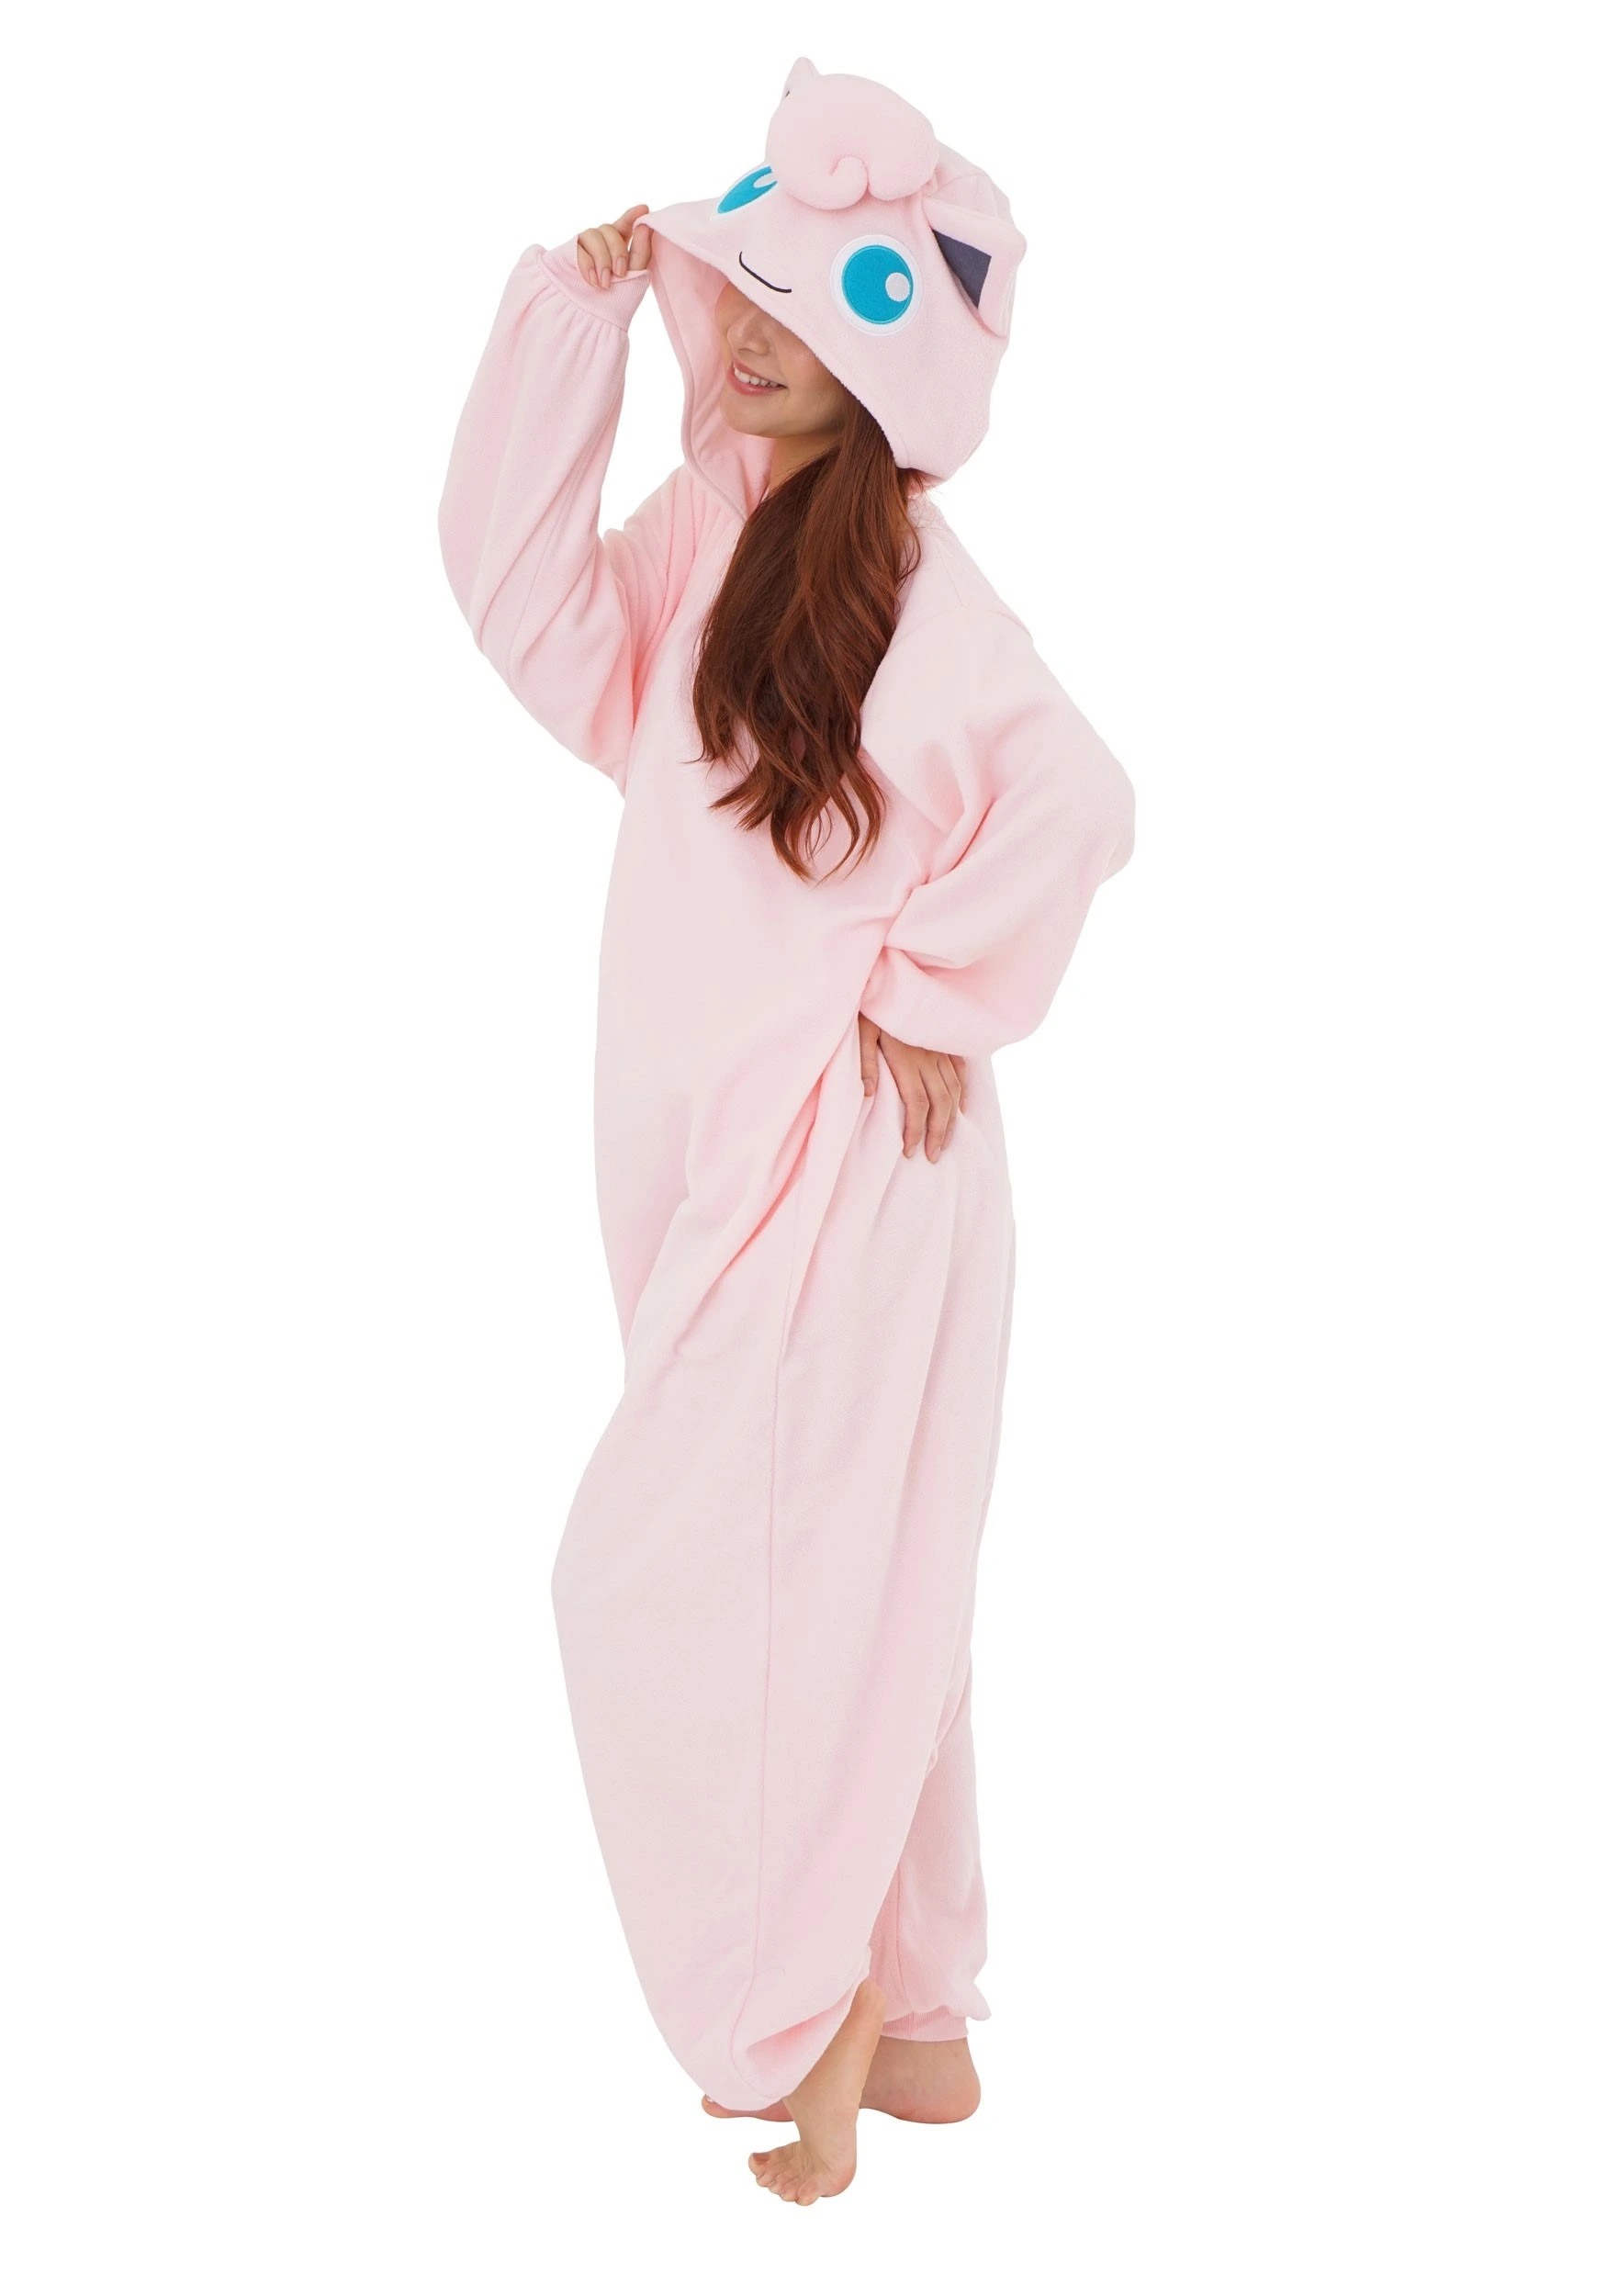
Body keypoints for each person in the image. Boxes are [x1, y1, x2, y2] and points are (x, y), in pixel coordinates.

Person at [437, 57, 1136, 2207]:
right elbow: (521, 603)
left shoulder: (917, 593)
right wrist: (570, 334)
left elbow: (1078, 801)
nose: (750, 338)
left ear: (883, 372)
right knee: (852, 1574)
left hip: (837, 1177)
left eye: (808, 320)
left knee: (688, 1582)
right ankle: (917, 2019)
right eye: (744, 293)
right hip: (709, 1155)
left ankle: (796, 2022)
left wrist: (921, 994)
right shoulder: (706, 532)